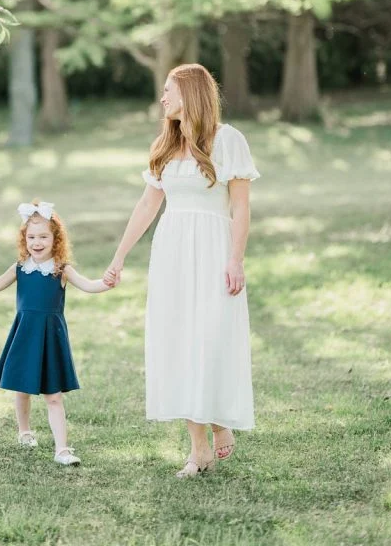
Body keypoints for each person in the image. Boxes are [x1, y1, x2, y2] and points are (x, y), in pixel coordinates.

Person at [104, 63, 259, 478]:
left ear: (191, 93)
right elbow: (147, 206)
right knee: (179, 343)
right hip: (172, 251)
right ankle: (198, 450)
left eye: (169, 89)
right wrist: (119, 256)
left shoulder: (228, 140)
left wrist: (235, 259)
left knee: (209, 339)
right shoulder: (165, 145)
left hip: (213, 250)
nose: (163, 97)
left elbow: (241, 206)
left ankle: (221, 422)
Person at [0, 200, 111, 466]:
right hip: (25, 333)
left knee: (53, 395)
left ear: (55, 239)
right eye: (31, 237)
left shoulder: (61, 269)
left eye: (43, 237)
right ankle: (24, 431)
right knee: (23, 389)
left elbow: (88, 285)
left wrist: (107, 283)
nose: (37, 242)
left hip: (50, 336)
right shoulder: (20, 267)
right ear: (24, 239)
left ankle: (62, 449)